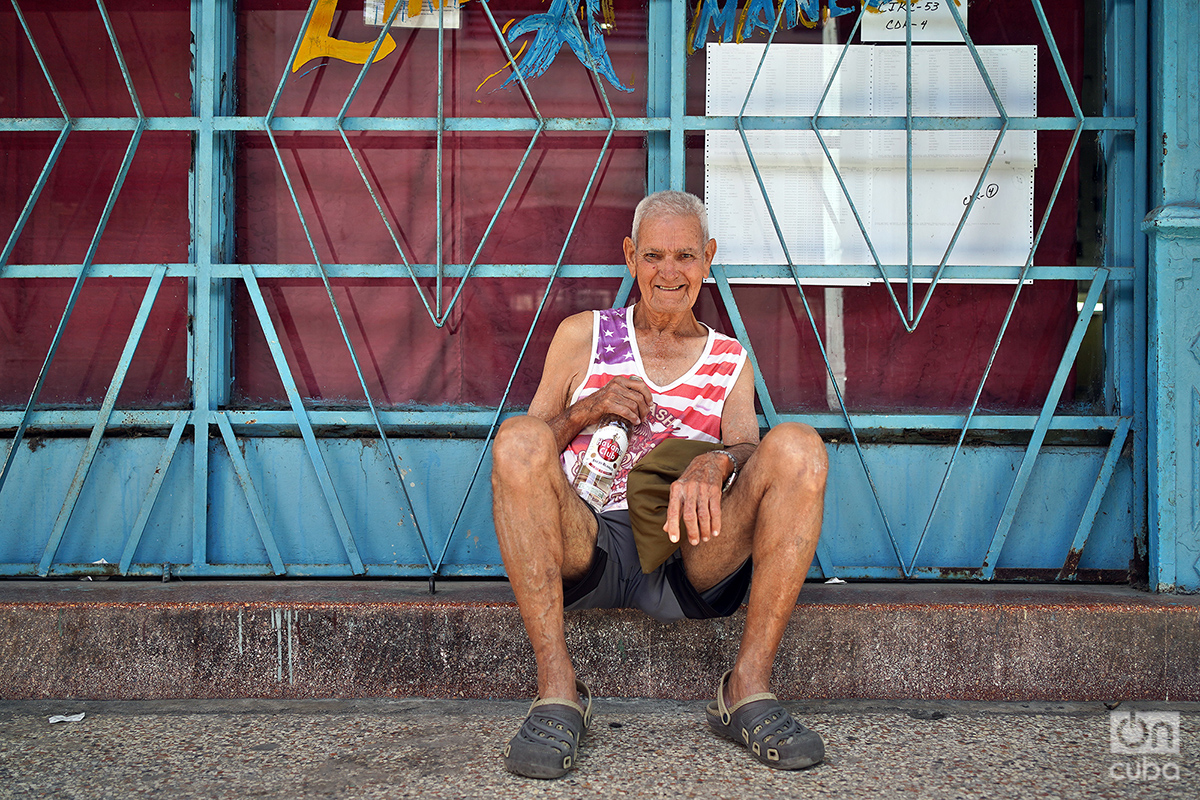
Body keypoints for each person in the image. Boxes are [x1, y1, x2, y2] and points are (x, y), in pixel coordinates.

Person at [491, 190, 827, 779]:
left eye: (685, 256)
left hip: (685, 552)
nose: (669, 272)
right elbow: (527, 445)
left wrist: (717, 461)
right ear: (629, 257)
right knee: (518, 438)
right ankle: (557, 690)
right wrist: (584, 410)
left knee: (799, 447)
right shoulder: (583, 336)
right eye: (653, 256)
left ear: (708, 258)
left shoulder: (729, 358)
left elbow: (751, 446)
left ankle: (746, 690)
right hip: (585, 541)